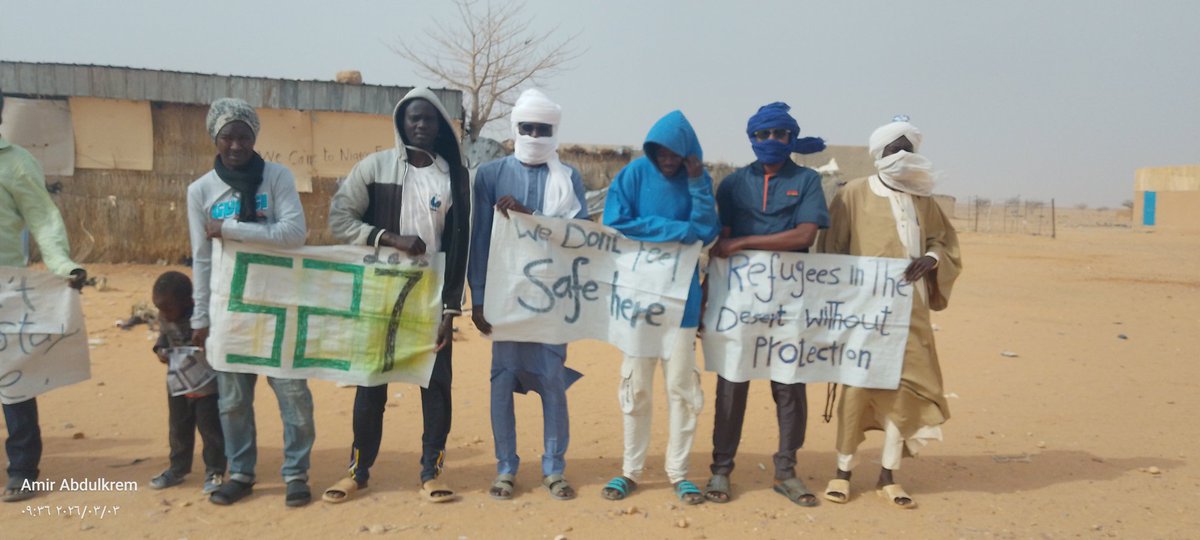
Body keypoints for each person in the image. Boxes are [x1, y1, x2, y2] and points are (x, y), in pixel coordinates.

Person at [322, 87, 470, 504]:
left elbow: (459, 245)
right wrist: (388, 238)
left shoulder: (454, 176)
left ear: (440, 125)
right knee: (371, 384)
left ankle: (431, 473)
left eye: (429, 119)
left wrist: (450, 308)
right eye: (413, 119)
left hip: (430, 300)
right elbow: (340, 218)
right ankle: (357, 471)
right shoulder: (375, 167)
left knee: (435, 386)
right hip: (379, 297)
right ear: (400, 123)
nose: (421, 126)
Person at [818, 119, 962, 509]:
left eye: (907, 149)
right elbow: (832, 251)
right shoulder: (852, 194)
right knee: (857, 388)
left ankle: (888, 475)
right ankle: (843, 471)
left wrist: (931, 260)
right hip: (863, 313)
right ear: (878, 154)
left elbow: (943, 242)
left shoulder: (923, 199)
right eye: (893, 149)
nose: (901, 156)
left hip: (910, 312)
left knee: (905, 389)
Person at [187, 98, 312, 507]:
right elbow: (202, 257)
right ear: (216, 139)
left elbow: (294, 233)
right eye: (228, 137)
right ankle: (240, 472)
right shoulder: (201, 191)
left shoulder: (276, 178)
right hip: (231, 309)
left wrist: (230, 228)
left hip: (280, 305)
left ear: (254, 138)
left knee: (293, 395)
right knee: (234, 401)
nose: (237, 145)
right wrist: (200, 315)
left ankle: (296, 473)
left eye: (244, 137)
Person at [704, 102, 828, 506]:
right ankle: (721, 470)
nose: (771, 141)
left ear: (791, 139)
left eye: (779, 135)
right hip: (740, 302)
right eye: (763, 135)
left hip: (791, 303)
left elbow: (804, 235)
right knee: (732, 382)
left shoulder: (807, 180)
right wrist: (708, 297)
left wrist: (742, 242)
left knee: (789, 385)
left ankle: (786, 471)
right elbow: (719, 243)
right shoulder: (733, 184)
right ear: (752, 138)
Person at [468, 89, 589, 501]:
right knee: (502, 381)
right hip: (506, 299)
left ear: (553, 130)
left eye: (543, 129)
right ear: (515, 128)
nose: (535, 135)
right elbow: (479, 240)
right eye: (527, 128)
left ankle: (554, 468)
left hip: (552, 297)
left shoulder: (568, 179)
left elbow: (579, 237)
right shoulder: (489, 175)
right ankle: (506, 468)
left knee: (551, 380)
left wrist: (531, 217)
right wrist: (479, 297)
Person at [600, 110, 719, 505]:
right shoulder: (634, 174)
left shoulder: (698, 180)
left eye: (675, 154)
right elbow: (616, 219)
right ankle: (630, 471)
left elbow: (706, 232)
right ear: (650, 150)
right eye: (660, 153)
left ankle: (679, 472)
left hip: (682, 307)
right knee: (635, 388)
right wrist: (676, 232)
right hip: (638, 302)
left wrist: (698, 184)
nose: (667, 160)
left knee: (682, 389)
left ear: (688, 153)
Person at [0, 89, 87, 503]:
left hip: (6, 290)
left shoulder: (16, 164)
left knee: (14, 380)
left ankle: (22, 470)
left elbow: (43, 220)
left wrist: (64, 266)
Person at [149, 271, 225, 494]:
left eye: (168, 308)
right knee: (178, 429)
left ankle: (215, 470)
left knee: (210, 430)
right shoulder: (165, 318)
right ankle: (178, 468)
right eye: (160, 308)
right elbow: (162, 339)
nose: (164, 314)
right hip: (178, 385)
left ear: (187, 302)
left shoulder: (201, 318)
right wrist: (161, 351)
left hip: (207, 386)